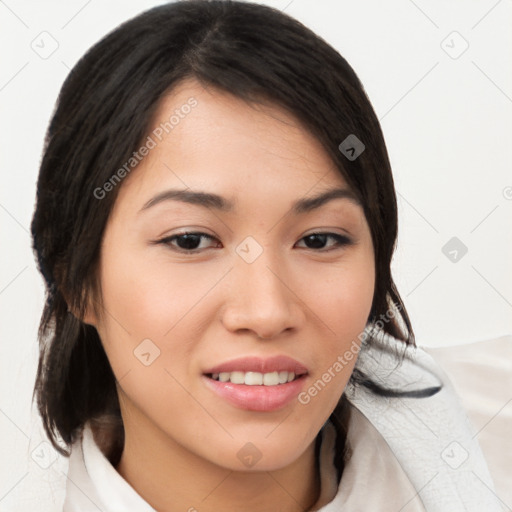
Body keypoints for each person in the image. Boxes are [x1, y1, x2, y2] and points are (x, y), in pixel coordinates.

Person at [29, 1, 500, 510]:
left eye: (318, 240)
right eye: (191, 240)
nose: (267, 312)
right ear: (76, 278)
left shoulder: (489, 444)